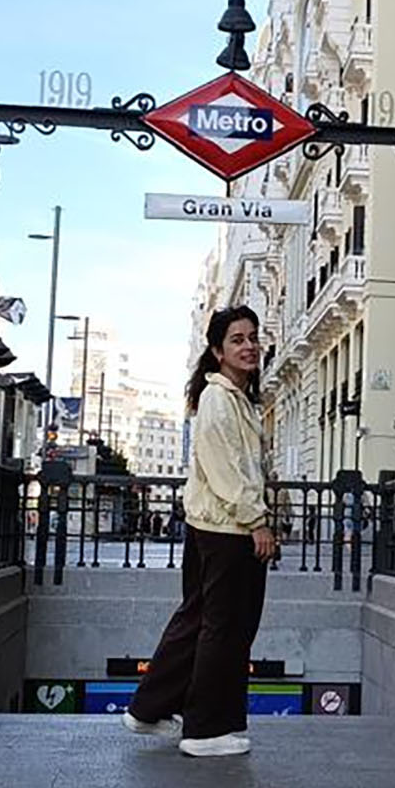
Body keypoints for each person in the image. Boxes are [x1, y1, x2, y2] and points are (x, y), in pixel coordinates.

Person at [122, 306, 277, 757]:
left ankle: (148, 708)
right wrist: (258, 521)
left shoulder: (234, 398)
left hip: (215, 525)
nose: (249, 346)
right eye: (237, 340)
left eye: (252, 337)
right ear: (216, 351)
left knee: (200, 621)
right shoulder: (219, 400)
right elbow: (228, 471)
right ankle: (206, 730)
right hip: (228, 529)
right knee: (225, 629)